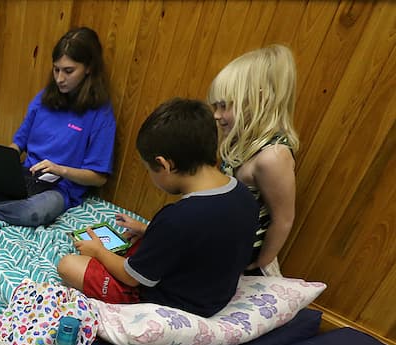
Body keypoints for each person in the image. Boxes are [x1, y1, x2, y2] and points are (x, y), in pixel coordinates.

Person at [57, 98, 258, 318]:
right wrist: (148, 230)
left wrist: (99, 252)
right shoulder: (243, 194)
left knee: (68, 265)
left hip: (171, 304)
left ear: (164, 164)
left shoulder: (177, 218)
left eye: (149, 170)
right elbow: (206, 238)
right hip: (213, 292)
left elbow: (132, 277)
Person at [0, 26, 116, 227]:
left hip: (57, 189)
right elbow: (18, 145)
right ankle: (3, 206)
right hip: (24, 177)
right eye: (56, 69)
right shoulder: (44, 98)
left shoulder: (101, 114)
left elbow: (99, 178)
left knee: (33, 212)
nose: (59, 78)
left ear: (89, 68)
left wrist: (61, 170)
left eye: (68, 71)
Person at [208, 44, 300, 276]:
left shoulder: (273, 158)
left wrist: (260, 263)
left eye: (224, 105)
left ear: (256, 100)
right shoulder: (237, 140)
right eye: (215, 106)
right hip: (224, 240)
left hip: (246, 257)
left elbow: (284, 220)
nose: (216, 115)